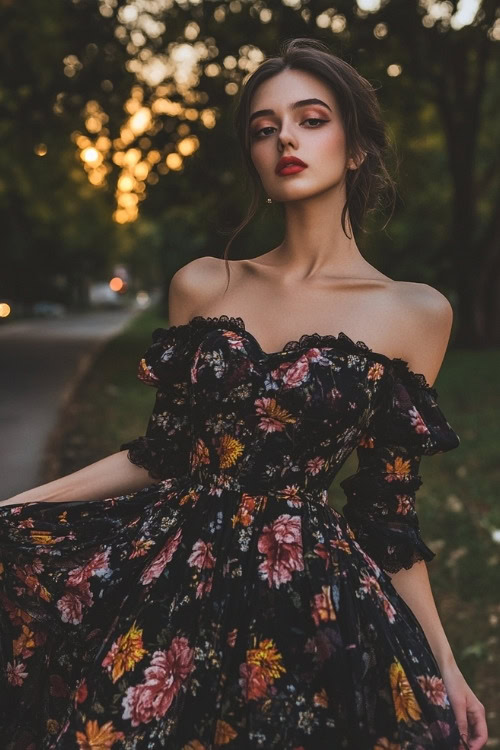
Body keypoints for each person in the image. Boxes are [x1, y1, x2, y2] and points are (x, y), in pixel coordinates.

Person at [0, 37, 488, 750]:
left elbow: (388, 514)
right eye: (264, 129)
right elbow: (162, 453)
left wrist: (446, 663)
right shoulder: (203, 284)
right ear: (254, 158)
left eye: (311, 118)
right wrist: (16, 507)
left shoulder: (415, 313)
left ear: (355, 149)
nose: (285, 137)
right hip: (173, 590)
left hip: (312, 612)